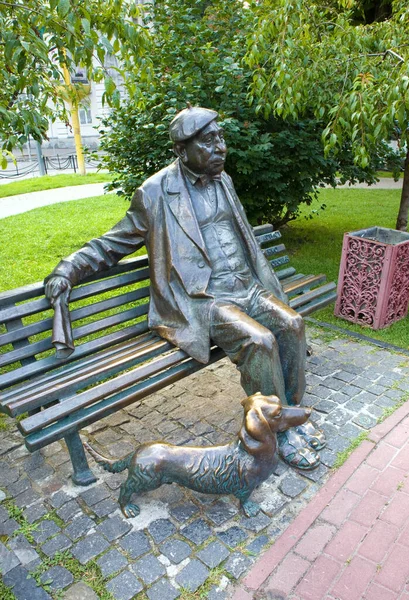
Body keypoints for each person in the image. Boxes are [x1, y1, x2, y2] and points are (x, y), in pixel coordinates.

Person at [45, 105, 324, 469]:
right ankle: (277, 432)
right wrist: (68, 268)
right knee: (260, 342)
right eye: (208, 141)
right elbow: (112, 243)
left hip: (248, 287)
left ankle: (286, 416)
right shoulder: (155, 193)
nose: (220, 147)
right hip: (204, 300)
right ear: (182, 150)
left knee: (292, 325)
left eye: (221, 138)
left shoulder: (222, 179)